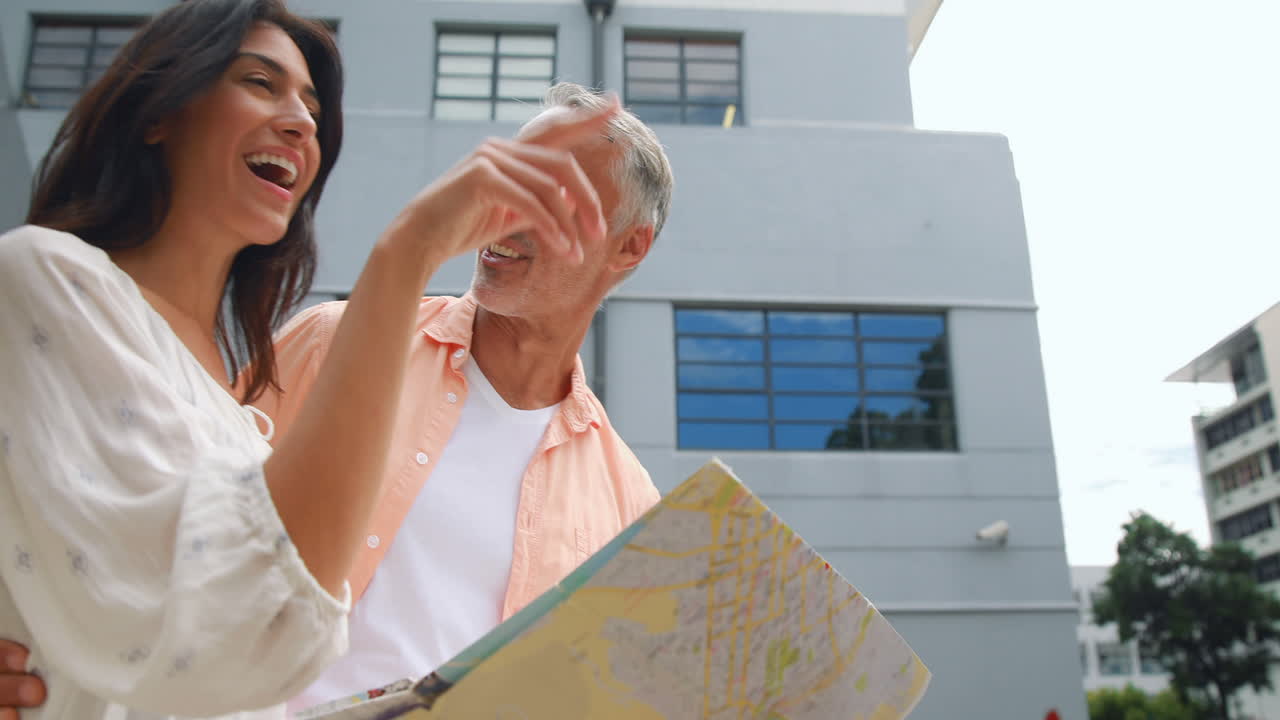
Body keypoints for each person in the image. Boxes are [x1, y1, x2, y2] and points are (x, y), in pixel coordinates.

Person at [0, 0, 617, 718]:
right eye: (260, 82)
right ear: (157, 111)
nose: (300, 122)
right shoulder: (47, 278)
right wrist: (406, 255)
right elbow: (250, 622)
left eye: (313, 107)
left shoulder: (231, 397)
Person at [270, 82, 675, 711]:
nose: (506, 212)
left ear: (629, 247)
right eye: (508, 178)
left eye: (552, 194)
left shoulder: (632, 504)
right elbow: (175, 524)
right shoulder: (331, 344)